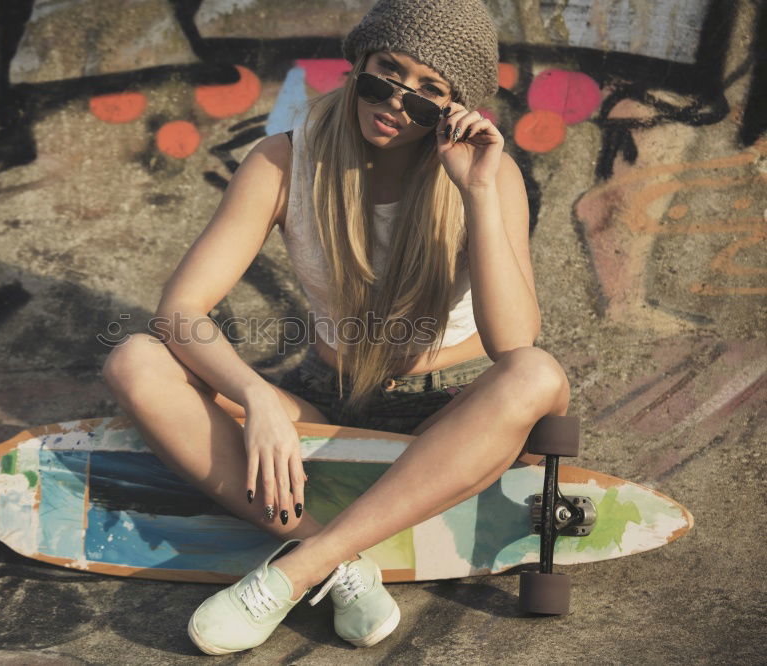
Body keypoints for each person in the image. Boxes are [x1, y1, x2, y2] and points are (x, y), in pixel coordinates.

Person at [101, 0, 570, 655]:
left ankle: (297, 568)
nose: (397, 103)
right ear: (359, 65)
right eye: (386, 75)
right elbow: (180, 312)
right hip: (331, 396)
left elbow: (513, 343)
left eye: (429, 93)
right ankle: (345, 562)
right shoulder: (284, 163)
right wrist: (257, 395)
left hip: (458, 411)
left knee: (537, 374)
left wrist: (480, 192)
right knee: (135, 361)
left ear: (455, 109)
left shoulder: (488, 180)